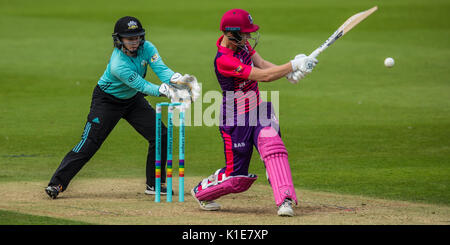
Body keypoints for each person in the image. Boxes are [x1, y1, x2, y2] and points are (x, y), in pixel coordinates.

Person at [45, 16, 198, 199]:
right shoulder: (118, 64)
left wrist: (178, 80)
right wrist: (166, 91)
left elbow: (161, 69)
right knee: (90, 143)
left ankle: (154, 184)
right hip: (107, 101)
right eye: (129, 38)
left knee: (160, 135)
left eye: (137, 37)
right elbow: (142, 85)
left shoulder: (147, 47)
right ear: (119, 39)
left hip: (132, 100)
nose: (134, 42)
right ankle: (57, 184)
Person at [190, 9, 318, 217]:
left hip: (258, 110)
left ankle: (284, 200)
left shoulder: (242, 44)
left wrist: (290, 73)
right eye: (245, 33)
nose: (249, 37)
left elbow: (264, 65)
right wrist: (292, 65)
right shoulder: (224, 60)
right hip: (235, 120)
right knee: (238, 179)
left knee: (274, 147)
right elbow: (263, 76)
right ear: (231, 33)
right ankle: (203, 191)